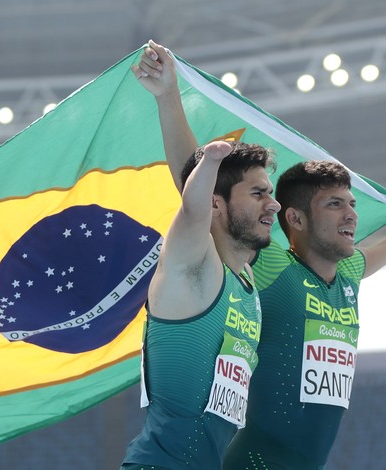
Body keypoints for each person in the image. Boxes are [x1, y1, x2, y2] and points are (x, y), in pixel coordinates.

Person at [131, 40, 386, 469]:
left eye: (352, 205)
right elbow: (199, 199)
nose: (352, 215)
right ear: (296, 219)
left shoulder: (343, 275)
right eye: (335, 204)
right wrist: (171, 101)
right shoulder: (269, 267)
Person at [121, 45, 281, 468]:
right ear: (218, 204)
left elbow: (200, 193)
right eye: (259, 193)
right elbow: (194, 204)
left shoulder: (246, 279)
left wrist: (168, 99)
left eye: (273, 193)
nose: (275, 205)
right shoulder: (191, 271)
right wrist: (207, 156)